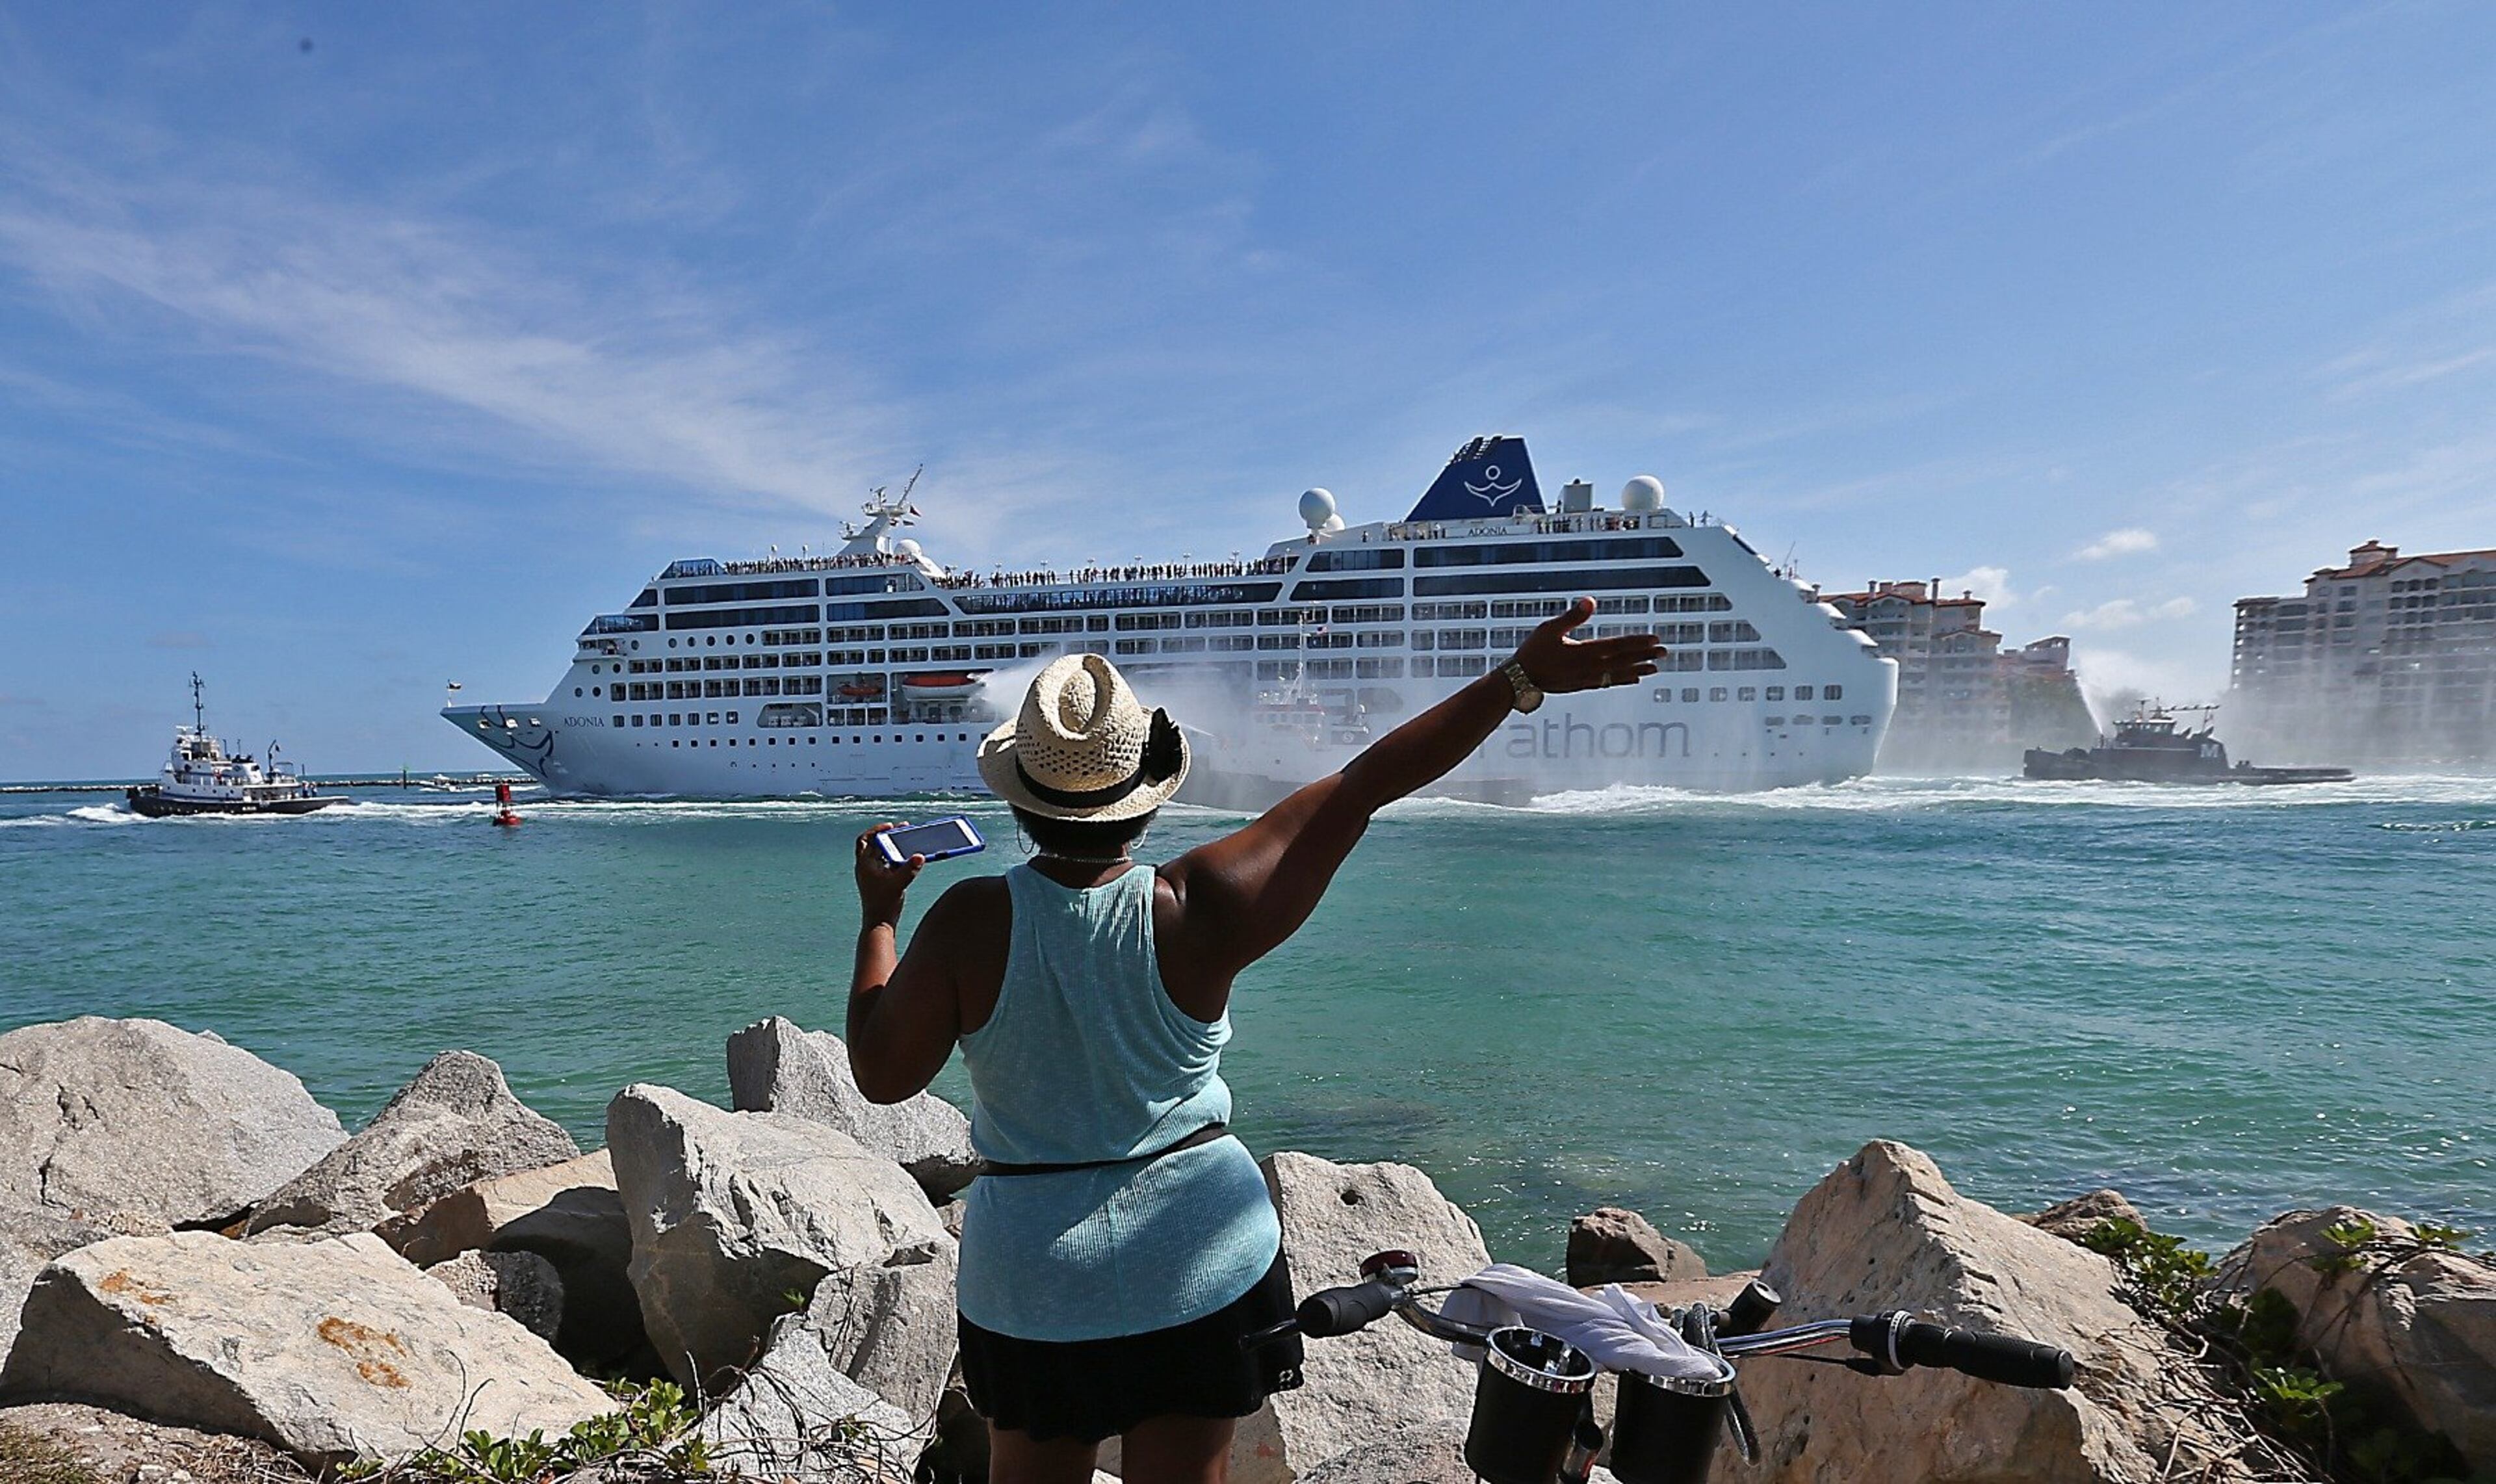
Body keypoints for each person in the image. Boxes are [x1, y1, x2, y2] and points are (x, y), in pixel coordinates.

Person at [847, 598, 1663, 1484]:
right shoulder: (1200, 905)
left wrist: (880, 919)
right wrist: (1517, 681)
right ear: (1142, 796)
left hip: (1035, 1284)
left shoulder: (971, 922)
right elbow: (1366, 785)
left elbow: (883, 1075)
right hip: (1199, 1258)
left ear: (1022, 799)